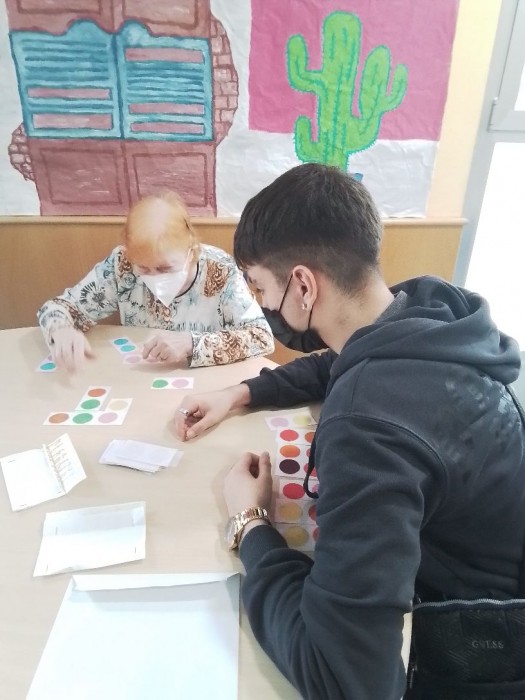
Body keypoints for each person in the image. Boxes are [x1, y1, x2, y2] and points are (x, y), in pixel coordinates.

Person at [173, 163, 525, 698]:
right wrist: (240, 392)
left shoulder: (367, 427)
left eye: (261, 287)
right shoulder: (427, 313)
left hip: (479, 649)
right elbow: (337, 361)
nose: (263, 305)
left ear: (303, 284)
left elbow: (344, 680)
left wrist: (249, 523)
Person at [37, 191, 274, 372]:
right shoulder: (122, 265)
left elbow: (261, 337)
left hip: (205, 385)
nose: (155, 278)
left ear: (191, 250)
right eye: (143, 268)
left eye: (165, 268)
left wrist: (192, 344)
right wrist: (62, 330)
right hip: (142, 377)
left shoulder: (220, 270)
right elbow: (59, 307)